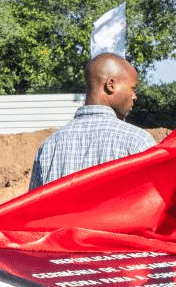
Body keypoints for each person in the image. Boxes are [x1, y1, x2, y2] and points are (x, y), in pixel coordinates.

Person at [29, 53, 155, 189]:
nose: (135, 97)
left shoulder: (49, 147)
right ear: (110, 85)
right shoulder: (137, 142)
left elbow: (34, 207)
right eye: (133, 88)